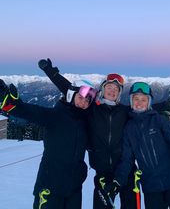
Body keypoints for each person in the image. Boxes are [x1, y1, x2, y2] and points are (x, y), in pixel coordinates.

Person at [38, 58, 137, 209]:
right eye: (109, 87)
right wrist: (51, 72)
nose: (112, 91)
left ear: (119, 94)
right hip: (103, 173)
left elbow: (143, 109)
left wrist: (161, 109)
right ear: (103, 90)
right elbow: (71, 90)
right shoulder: (93, 109)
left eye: (116, 90)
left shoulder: (125, 111)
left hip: (125, 171)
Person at [0, 78, 97, 209]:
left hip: (73, 189)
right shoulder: (55, 116)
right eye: (81, 97)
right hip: (50, 187)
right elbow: (30, 112)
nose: (83, 103)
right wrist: (11, 105)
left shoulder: (85, 122)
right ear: (71, 95)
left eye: (87, 101)